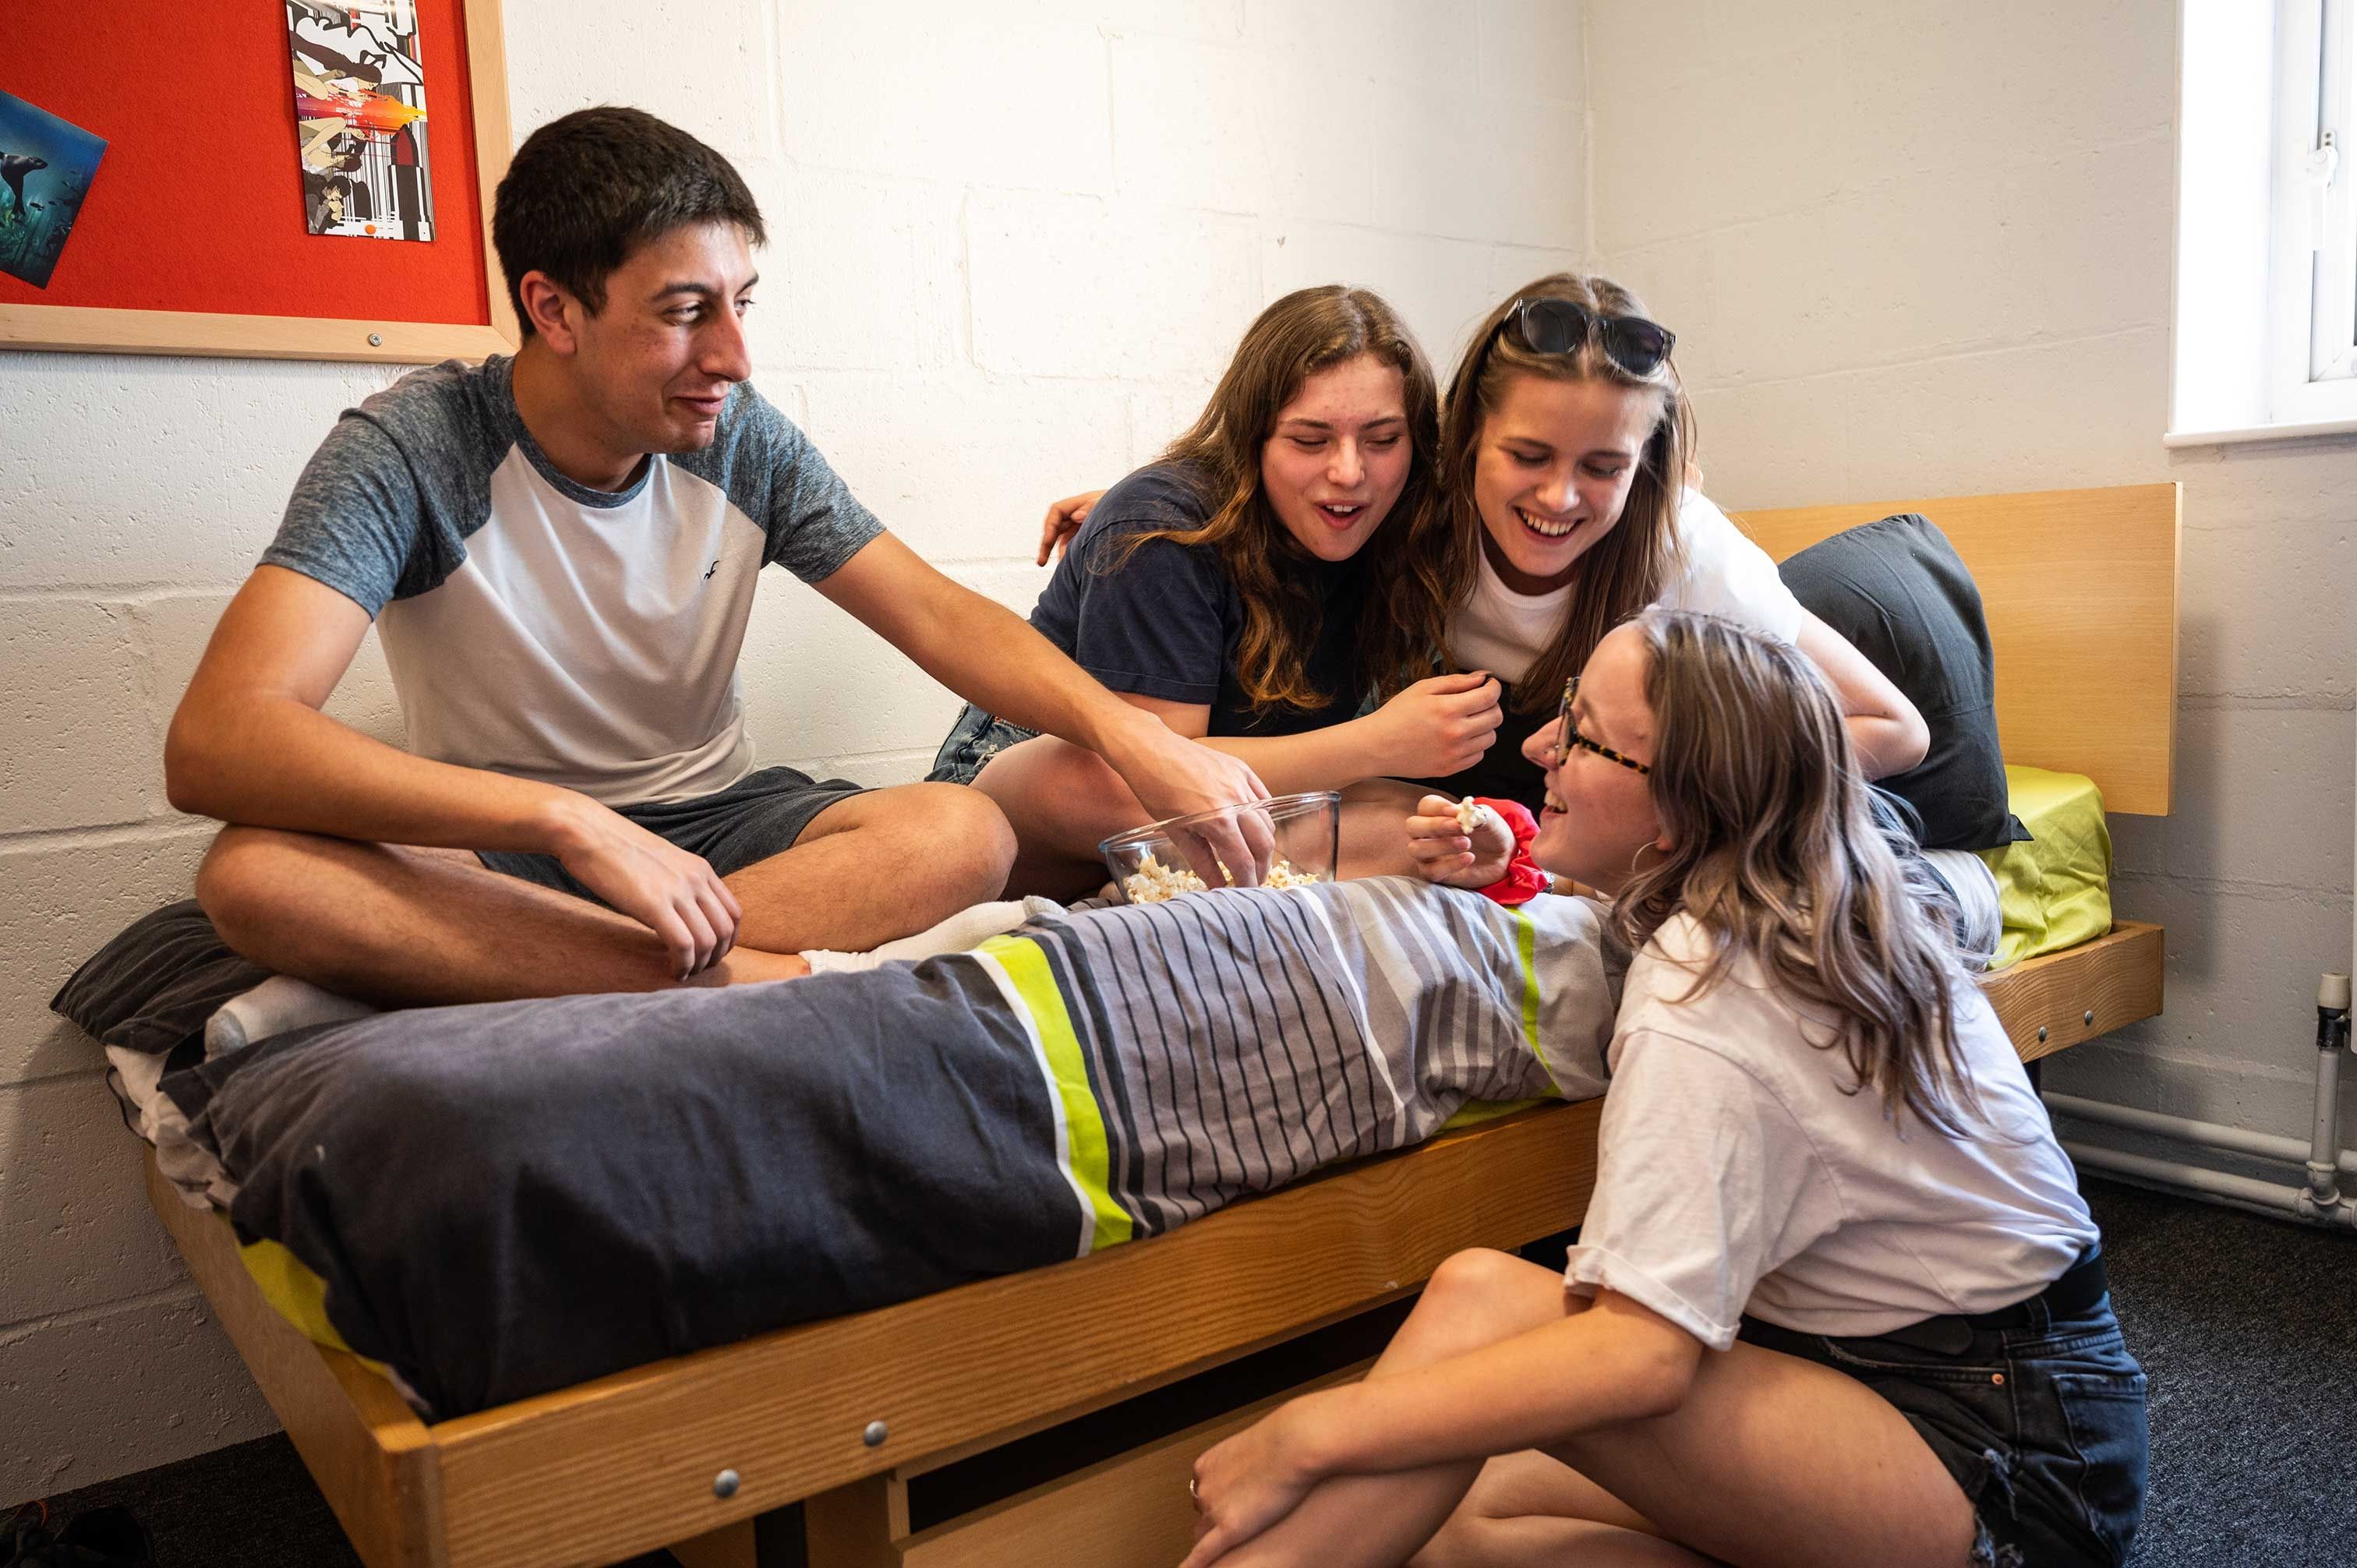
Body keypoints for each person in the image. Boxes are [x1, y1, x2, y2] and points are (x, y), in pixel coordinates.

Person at [166, 106, 1267, 1009]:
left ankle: (591, 962)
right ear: (552, 307)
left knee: (961, 829)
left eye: (740, 305)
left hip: (717, 830)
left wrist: (1132, 737)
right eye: (688, 313)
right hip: (502, 845)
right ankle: (720, 973)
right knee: (257, 875)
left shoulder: (740, 437)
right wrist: (559, 818)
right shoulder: (412, 447)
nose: (733, 357)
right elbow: (220, 740)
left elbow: (931, 614)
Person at [1179, 609, 2147, 1568]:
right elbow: (1628, 883)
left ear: (1686, 809)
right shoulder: (1797, 884)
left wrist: (1315, 1429)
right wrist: (1517, 860)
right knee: (1465, 1522)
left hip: (2009, 1455)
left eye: (1584, 734)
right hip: (1969, 1386)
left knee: (1480, 1301)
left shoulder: (1711, 986)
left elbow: (1639, 1356)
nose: (1540, 744)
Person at [1036, 272, 1928, 818]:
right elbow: (1323, 456)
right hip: (1082, 777)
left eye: (1603, 467)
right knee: (1383, 810)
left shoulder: (1684, 553)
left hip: (1752, 741)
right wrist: (1137, 511)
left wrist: (1670, 782)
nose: (1556, 496)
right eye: (1527, 455)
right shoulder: (1420, 506)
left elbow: (1895, 726)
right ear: (1464, 442)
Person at [931, 285, 1495, 898]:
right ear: (1251, 439)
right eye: (1310, 440)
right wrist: (1377, 742)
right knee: (1321, 820)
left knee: (1445, 824)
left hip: (1233, 795)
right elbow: (1158, 776)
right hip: (1038, 794)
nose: (1350, 473)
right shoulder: (1160, 527)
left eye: (1384, 440)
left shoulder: (1400, 521)